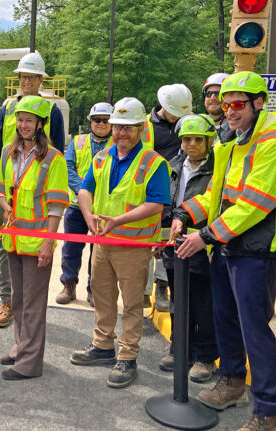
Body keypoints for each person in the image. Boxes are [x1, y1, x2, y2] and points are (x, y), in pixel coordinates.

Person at [172, 72, 276, 431]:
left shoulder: (274, 143)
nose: (229, 111)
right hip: (227, 248)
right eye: (225, 104)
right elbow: (216, 195)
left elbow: (255, 204)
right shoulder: (232, 143)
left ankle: (267, 417)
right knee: (225, 319)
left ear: (259, 103)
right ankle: (231, 381)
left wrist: (206, 235)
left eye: (238, 104)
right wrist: (185, 214)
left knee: (255, 331)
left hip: (256, 252)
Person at [72, 97, 170, 389]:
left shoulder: (154, 163)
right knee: (102, 297)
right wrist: (88, 214)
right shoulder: (102, 157)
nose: (121, 133)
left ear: (141, 129)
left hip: (133, 247)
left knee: (130, 304)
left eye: (128, 128)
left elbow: (156, 204)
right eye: (117, 127)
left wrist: (118, 220)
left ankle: (127, 357)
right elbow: (86, 188)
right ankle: (103, 346)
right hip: (102, 243)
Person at [0, 95, 68, 380]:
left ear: (39, 124)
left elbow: (57, 203)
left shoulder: (53, 159)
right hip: (13, 239)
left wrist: (49, 242)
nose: (24, 125)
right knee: (19, 299)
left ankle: (29, 363)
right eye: (20, 120)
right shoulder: (9, 153)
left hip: (38, 242)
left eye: (29, 121)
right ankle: (21, 346)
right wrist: (4, 204)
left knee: (34, 303)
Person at [0, 52, 65, 328]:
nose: (26, 81)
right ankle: (7, 302)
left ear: (40, 80)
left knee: (35, 251)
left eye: (31, 77)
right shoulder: (8, 107)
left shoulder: (52, 111)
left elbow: (55, 149)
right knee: (5, 247)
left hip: (35, 194)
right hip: (8, 193)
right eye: (22, 77)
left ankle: (30, 312)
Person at [157, 113, 218, 383]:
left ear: (208, 141)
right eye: (186, 139)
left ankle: (205, 356)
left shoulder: (217, 170)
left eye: (197, 140)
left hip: (202, 246)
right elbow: (166, 208)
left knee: (204, 304)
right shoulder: (172, 166)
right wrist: (160, 240)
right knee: (178, 301)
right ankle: (179, 348)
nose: (191, 144)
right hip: (174, 246)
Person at [56, 102, 113, 308]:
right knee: (71, 248)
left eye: (106, 120)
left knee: (98, 253)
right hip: (76, 208)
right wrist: (84, 192)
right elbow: (68, 167)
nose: (101, 124)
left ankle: (93, 290)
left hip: (102, 209)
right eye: (97, 120)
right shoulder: (78, 142)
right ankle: (68, 286)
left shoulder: (117, 144)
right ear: (91, 121)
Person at [142, 83, 193, 312]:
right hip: (147, 189)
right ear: (163, 106)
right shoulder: (145, 126)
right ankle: (142, 291)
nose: (178, 118)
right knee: (144, 240)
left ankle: (161, 286)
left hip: (173, 190)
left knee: (167, 238)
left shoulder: (186, 123)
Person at [203, 72, 232, 143]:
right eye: (209, 94)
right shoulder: (197, 124)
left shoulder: (239, 129)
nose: (212, 98)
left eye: (218, 94)